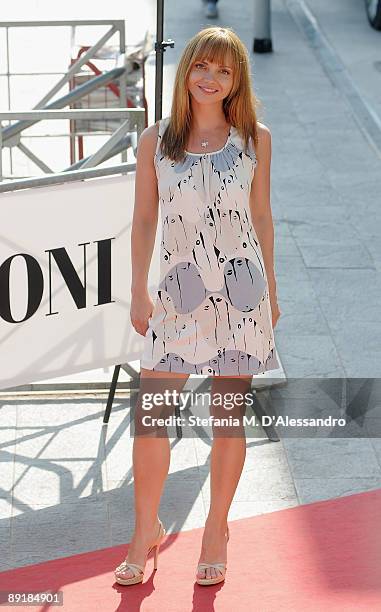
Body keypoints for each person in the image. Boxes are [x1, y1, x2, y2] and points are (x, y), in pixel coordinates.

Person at [114, 26, 281, 587]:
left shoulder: (254, 138)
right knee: (152, 416)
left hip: (241, 294)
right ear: (186, 70)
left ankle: (216, 527)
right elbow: (142, 219)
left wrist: (274, 293)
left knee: (227, 418)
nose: (210, 78)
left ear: (237, 82)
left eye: (224, 71)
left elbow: (262, 218)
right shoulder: (155, 141)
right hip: (176, 295)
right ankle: (145, 531)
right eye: (202, 66)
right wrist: (139, 289)